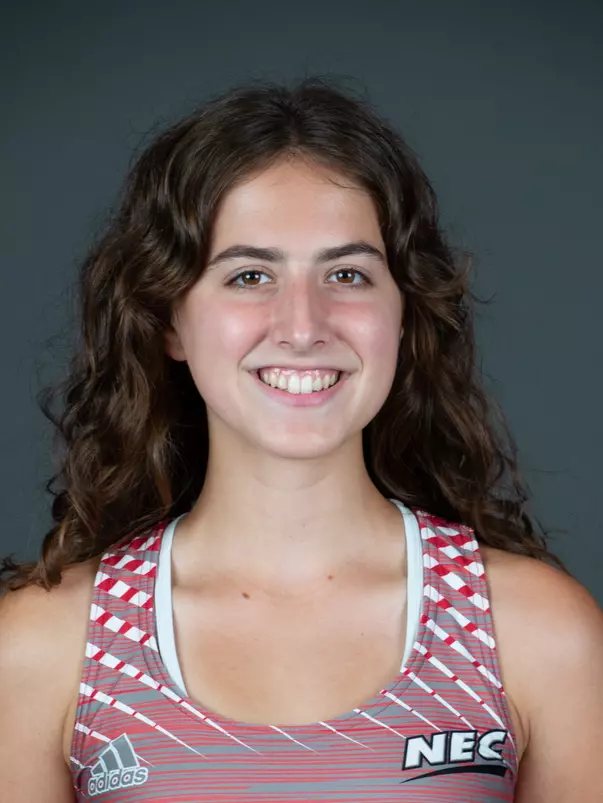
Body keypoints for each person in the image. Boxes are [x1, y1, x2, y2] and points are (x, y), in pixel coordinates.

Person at [0, 77, 601, 802]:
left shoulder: (536, 632)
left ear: (402, 313)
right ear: (168, 320)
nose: (302, 325)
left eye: (347, 273)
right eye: (249, 275)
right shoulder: (42, 648)